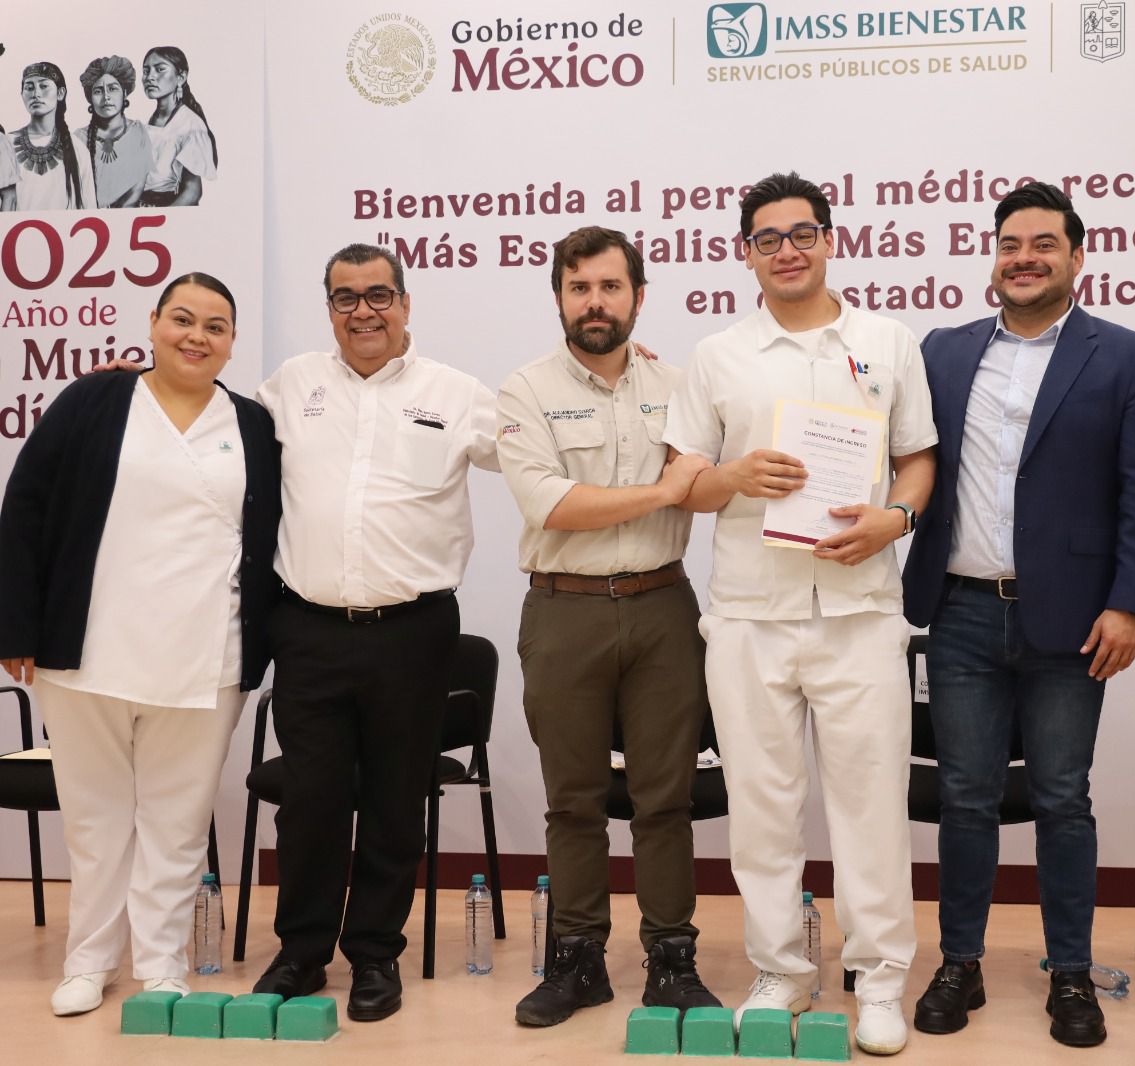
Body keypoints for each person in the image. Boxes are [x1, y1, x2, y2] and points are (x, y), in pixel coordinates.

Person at [900, 181, 1135, 1048]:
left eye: (1043, 244)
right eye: (1010, 244)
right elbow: (891, 437)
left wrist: (1129, 604)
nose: (1024, 259)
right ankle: (961, 962)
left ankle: (1070, 973)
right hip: (961, 614)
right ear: (993, 257)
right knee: (965, 797)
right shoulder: (942, 352)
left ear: (1076, 256)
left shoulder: (1127, 357)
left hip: (1073, 622)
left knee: (1062, 798)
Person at [665, 171, 937, 1057]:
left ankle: (880, 978)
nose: (787, 250)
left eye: (802, 233)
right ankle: (781, 970)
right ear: (744, 253)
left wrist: (896, 519)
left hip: (861, 610)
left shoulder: (887, 342)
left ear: (830, 239)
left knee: (872, 806)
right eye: (768, 238)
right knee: (761, 809)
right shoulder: (718, 355)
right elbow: (685, 484)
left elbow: (918, 460)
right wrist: (732, 476)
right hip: (751, 615)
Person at [0, 273, 280, 1016]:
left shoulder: (253, 424)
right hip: (86, 650)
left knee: (177, 822)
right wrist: (16, 625)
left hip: (206, 654)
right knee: (95, 820)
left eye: (215, 326)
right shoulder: (95, 399)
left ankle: (162, 963)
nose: (197, 336)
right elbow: (25, 505)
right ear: (153, 323)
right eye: (182, 319)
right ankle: (88, 962)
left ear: (232, 342)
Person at [249, 243, 499, 1022]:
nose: (364, 311)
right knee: (310, 801)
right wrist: (135, 389)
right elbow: (213, 433)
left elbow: (540, 450)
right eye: (346, 297)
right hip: (309, 630)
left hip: (413, 633)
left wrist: (618, 377)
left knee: (395, 801)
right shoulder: (291, 385)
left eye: (379, 295)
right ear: (329, 308)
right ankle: (301, 952)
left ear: (406, 303)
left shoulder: (457, 393)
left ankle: (374, 956)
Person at [497, 226, 720, 1026]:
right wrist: (663, 490)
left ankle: (672, 959)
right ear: (559, 297)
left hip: (664, 609)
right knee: (574, 800)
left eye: (610, 286)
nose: (595, 302)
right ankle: (578, 960)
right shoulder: (524, 390)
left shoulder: (680, 385)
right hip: (565, 611)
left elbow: (712, 482)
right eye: (579, 287)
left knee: (666, 798)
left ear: (638, 296)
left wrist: (690, 484)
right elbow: (551, 503)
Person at [11, 61, 93, 211]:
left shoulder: (78, 149)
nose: (36, 94)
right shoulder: (6, 145)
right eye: (29, 88)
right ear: (22, 94)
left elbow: (89, 210)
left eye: (43, 86)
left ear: (60, 93)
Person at [139, 47, 215, 207]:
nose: (150, 77)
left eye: (160, 69)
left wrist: (164, 219)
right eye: (146, 71)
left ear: (181, 77)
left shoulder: (190, 125)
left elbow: (192, 192)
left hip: (169, 209)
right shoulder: (148, 123)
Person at [74, 56, 151, 209]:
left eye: (112, 89)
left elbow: (137, 188)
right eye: (98, 91)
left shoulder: (139, 131)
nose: (106, 97)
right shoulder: (78, 139)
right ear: (90, 99)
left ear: (125, 93)